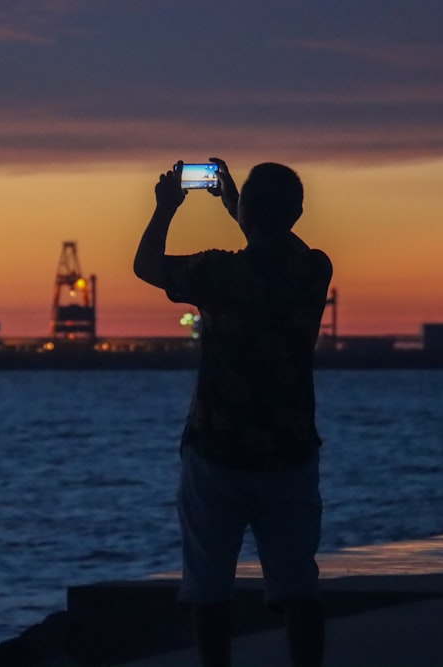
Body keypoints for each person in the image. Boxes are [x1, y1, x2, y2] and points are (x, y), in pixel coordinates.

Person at [133, 159, 332, 667]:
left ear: (246, 208)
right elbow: (275, 245)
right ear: (299, 211)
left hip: (217, 451)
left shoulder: (217, 272)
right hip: (290, 452)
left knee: (207, 585)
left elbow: (147, 266)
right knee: (297, 588)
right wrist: (238, 206)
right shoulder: (314, 269)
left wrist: (164, 208)